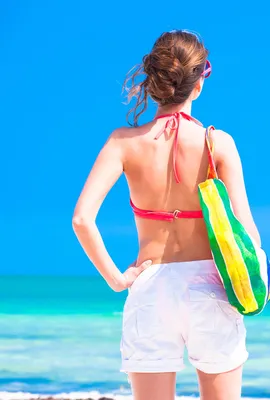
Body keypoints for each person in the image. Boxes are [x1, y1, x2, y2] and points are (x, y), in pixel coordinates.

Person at [72, 30, 260, 400]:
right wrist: (255, 284)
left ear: (154, 81)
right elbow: (245, 228)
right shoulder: (218, 143)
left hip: (149, 286)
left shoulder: (122, 143)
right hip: (211, 287)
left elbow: (82, 219)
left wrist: (116, 280)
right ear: (199, 82)